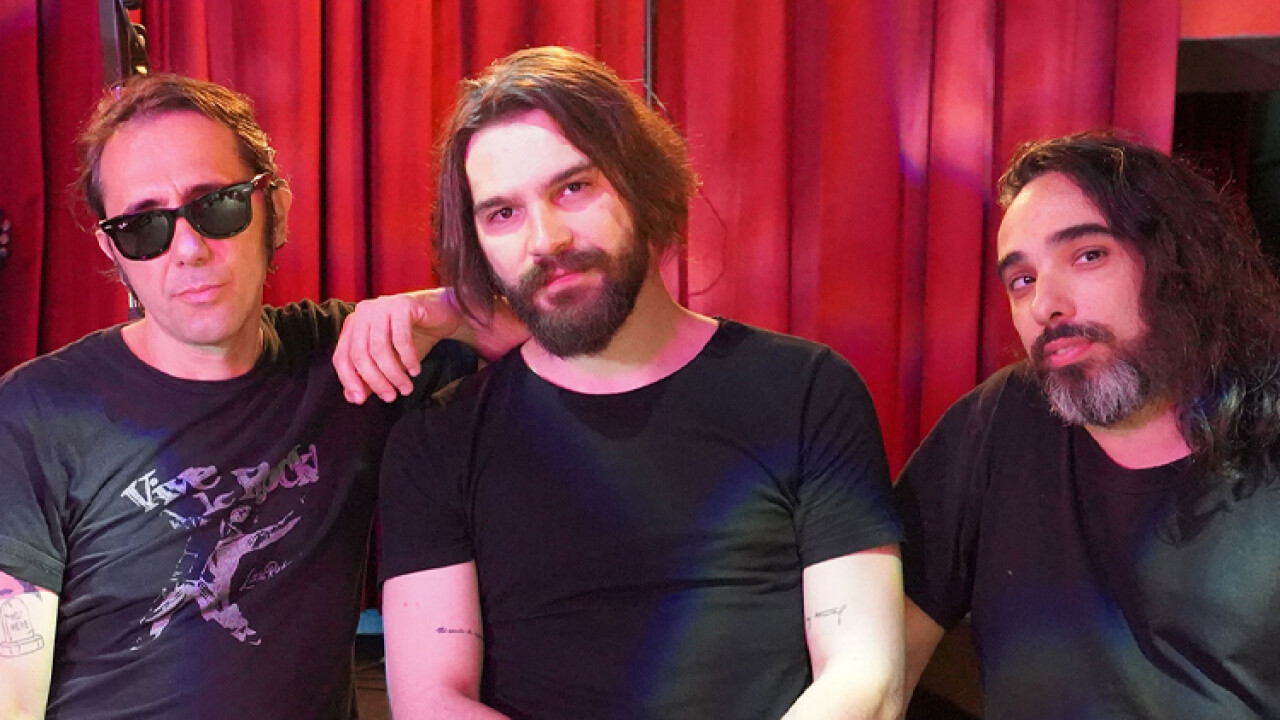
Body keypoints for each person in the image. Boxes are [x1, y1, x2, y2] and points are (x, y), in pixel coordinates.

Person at [377, 46, 905, 720]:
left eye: (574, 187)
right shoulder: (439, 440)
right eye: (502, 214)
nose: (546, 240)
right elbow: (431, 702)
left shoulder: (806, 391)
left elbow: (865, 675)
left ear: (643, 184)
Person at [0, 74, 509, 719]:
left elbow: (565, 337)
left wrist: (437, 309)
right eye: (143, 227)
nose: (188, 249)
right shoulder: (35, 414)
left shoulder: (352, 361)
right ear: (113, 250)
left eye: (217, 205)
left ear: (276, 210)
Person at [896, 132, 1280, 718]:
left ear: (1179, 263)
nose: (1045, 305)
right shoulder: (1000, 420)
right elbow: (879, 662)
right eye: (1022, 280)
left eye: (1088, 255)